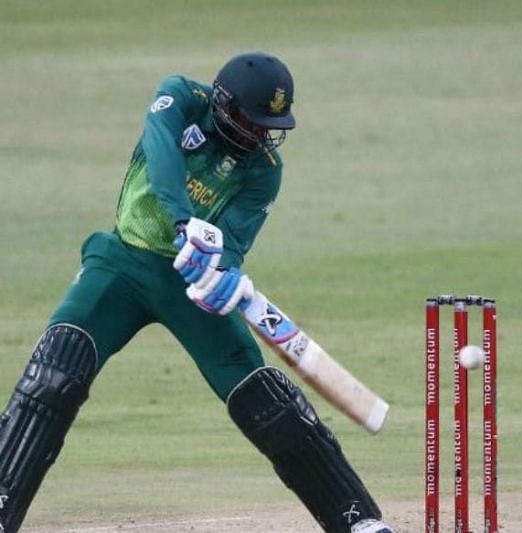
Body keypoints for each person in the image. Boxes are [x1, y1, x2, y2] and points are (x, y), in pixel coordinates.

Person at [0, 51, 392, 533]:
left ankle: (356, 520)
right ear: (225, 104)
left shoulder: (265, 169)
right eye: (251, 120)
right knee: (56, 371)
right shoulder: (181, 98)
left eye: (268, 125)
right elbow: (161, 149)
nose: (257, 133)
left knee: (264, 398)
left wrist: (221, 275)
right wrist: (185, 223)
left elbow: (235, 239)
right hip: (122, 262)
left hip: (189, 287)